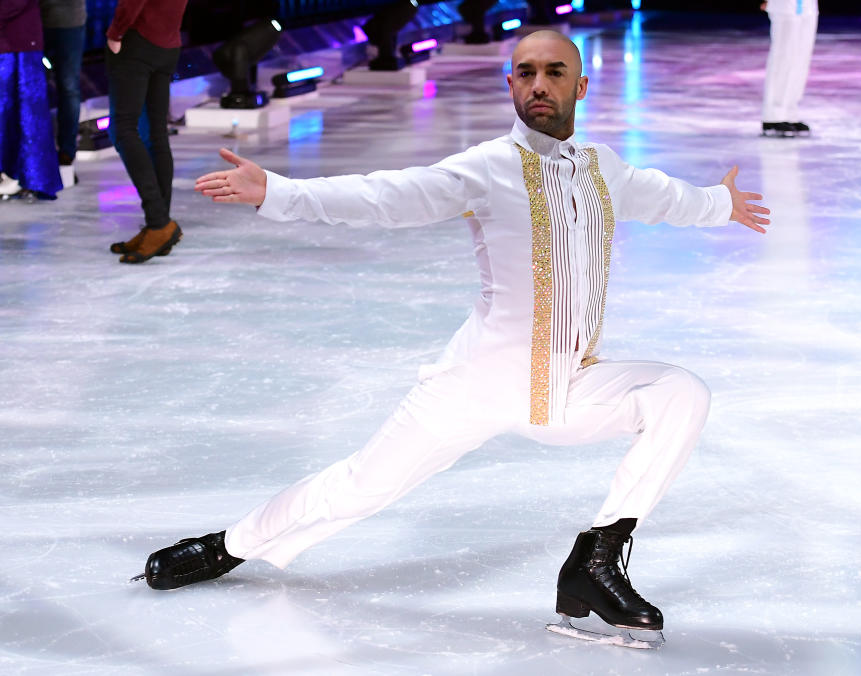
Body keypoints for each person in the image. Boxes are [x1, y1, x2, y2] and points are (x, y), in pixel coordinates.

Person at [138, 31, 770, 644]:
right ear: (511, 85)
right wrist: (278, 191)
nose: (539, 85)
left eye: (554, 73)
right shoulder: (489, 167)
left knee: (680, 393)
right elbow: (386, 197)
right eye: (525, 73)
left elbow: (660, 195)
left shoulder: (602, 168)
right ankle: (228, 546)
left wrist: (720, 203)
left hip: (566, 388)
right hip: (476, 385)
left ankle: (596, 561)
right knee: (362, 486)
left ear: (581, 83)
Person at [104, 0, 188, 264]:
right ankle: (159, 226)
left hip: (139, 41)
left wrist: (116, 32)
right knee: (155, 135)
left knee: (123, 130)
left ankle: (159, 221)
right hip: (168, 42)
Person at [0, 0, 63, 201]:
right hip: (11, 44)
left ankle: (32, 178)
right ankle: (12, 175)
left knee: (29, 114)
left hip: (20, 44)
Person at [39, 0, 86, 187]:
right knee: (34, 91)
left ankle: (67, 153)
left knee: (68, 88)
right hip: (34, 21)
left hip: (69, 22)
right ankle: (39, 153)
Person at [761, 0, 818, 137]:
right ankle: (773, 116)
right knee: (783, 58)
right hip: (784, 6)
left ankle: (790, 112)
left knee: (801, 58)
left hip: (807, 6)